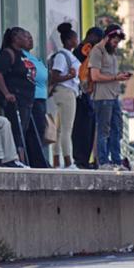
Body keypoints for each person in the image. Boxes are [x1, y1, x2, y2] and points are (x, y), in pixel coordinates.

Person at [89, 24, 131, 170]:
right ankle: (103, 161)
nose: (116, 44)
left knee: (116, 129)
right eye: (114, 41)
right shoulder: (97, 51)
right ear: (107, 37)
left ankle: (116, 161)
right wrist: (115, 77)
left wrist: (119, 77)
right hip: (102, 97)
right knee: (103, 130)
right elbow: (94, 76)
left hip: (114, 95)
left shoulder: (111, 52)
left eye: (118, 42)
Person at [0, 27, 36, 164]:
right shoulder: (8, 54)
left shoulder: (22, 55)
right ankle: (15, 158)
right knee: (16, 131)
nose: (27, 38)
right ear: (16, 38)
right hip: (14, 99)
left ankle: (21, 160)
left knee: (22, 130)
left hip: (26, 100)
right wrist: (6, 93)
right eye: (24, 36)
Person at [72, 27, 104, 169]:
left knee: (89, 128)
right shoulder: (81, 51)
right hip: (81, 94)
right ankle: (80, 160)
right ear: (91, 36)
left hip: (89, 93)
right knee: (82, 128)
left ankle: (85, 159)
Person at [50, 23, 81, 169]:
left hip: (65, 92)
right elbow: (55, 76)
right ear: (69, 40)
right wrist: (69, 76)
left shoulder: (67, 55)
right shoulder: (62, 56)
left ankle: (57, 160)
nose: (77, 41)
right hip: (66, 92)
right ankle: (68, 161)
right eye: (75, 38)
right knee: (66, 129)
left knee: (60, 129)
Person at [23, 31, 48, 146]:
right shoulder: (21, 56)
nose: (31, 40)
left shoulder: (33, 56)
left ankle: (39, 157)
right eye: (27, 38)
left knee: (41, 128)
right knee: (35, 129)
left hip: (41, 97)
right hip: (33, 97)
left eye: (31, 37)